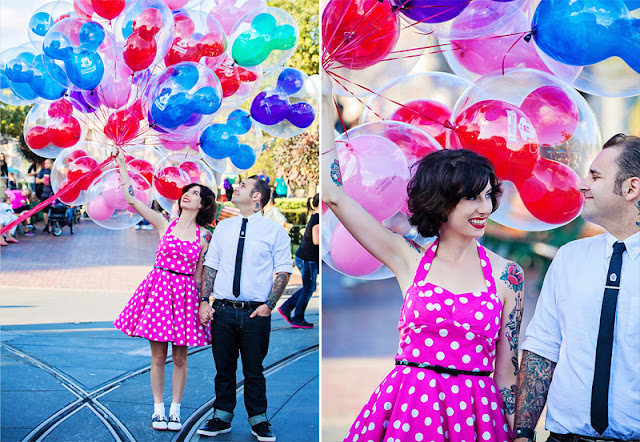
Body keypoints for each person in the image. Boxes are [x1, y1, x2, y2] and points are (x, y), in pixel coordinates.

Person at [321, 73, 523, 441]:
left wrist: (520, 433)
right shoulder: (407, 257)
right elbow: (335, 196)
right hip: (408, 410)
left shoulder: (508, 275)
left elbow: (507, 372)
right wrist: (323, 105)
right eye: (471, 197)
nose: (485, 208)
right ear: (442, 203)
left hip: (476, 417)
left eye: (488, 195)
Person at [514, 134, 640, 442]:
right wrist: (522, 433)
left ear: (631, 188)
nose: (582, 184)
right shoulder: (569, 258)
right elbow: (542, 348)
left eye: (595, 176)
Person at [111, 150, 217, 432]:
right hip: (158, 292)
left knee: (180, 358)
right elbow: (132, 199)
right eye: (188, 191)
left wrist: (203, 302)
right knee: (158, 357)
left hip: (184, 296)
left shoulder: (205, 236)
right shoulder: (164, 223)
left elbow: (201, 274)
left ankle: (175, 410)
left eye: (195, 194)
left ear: (203, 204)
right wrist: (122, 165)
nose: (188, 195)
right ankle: (158, 409)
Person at [197, 176, 293, 442]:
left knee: (254, 369)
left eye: (242, 186)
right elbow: (211, 265)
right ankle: (221, 417)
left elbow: (283, 269)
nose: (235, 188)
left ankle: (258, 419)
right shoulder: (224, 228)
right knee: (223, 368)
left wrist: (269, 305)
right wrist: (204, 300)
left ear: (256, 197)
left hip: (255, 313)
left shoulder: (275, 231)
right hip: (223, 310)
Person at [277, 193, 319, 329]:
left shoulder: (315, 216)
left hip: (306, 258)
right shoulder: (318, 218)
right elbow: (316, 240)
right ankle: (297, 317)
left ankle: (286, 308)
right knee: (309, 288)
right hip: (308, 259)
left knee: (309, 287)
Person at [35, 159, 53, 231]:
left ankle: (53, 223)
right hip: (44, 194)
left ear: (52, 164)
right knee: (45, 210)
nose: (46, 165)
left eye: (47, 163)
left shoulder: (54, 171)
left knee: (54, 209)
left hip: (53, 194)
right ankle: (47, 224)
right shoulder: (42, 171)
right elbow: (36, 180)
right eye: (45, 163)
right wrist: (42, 180)